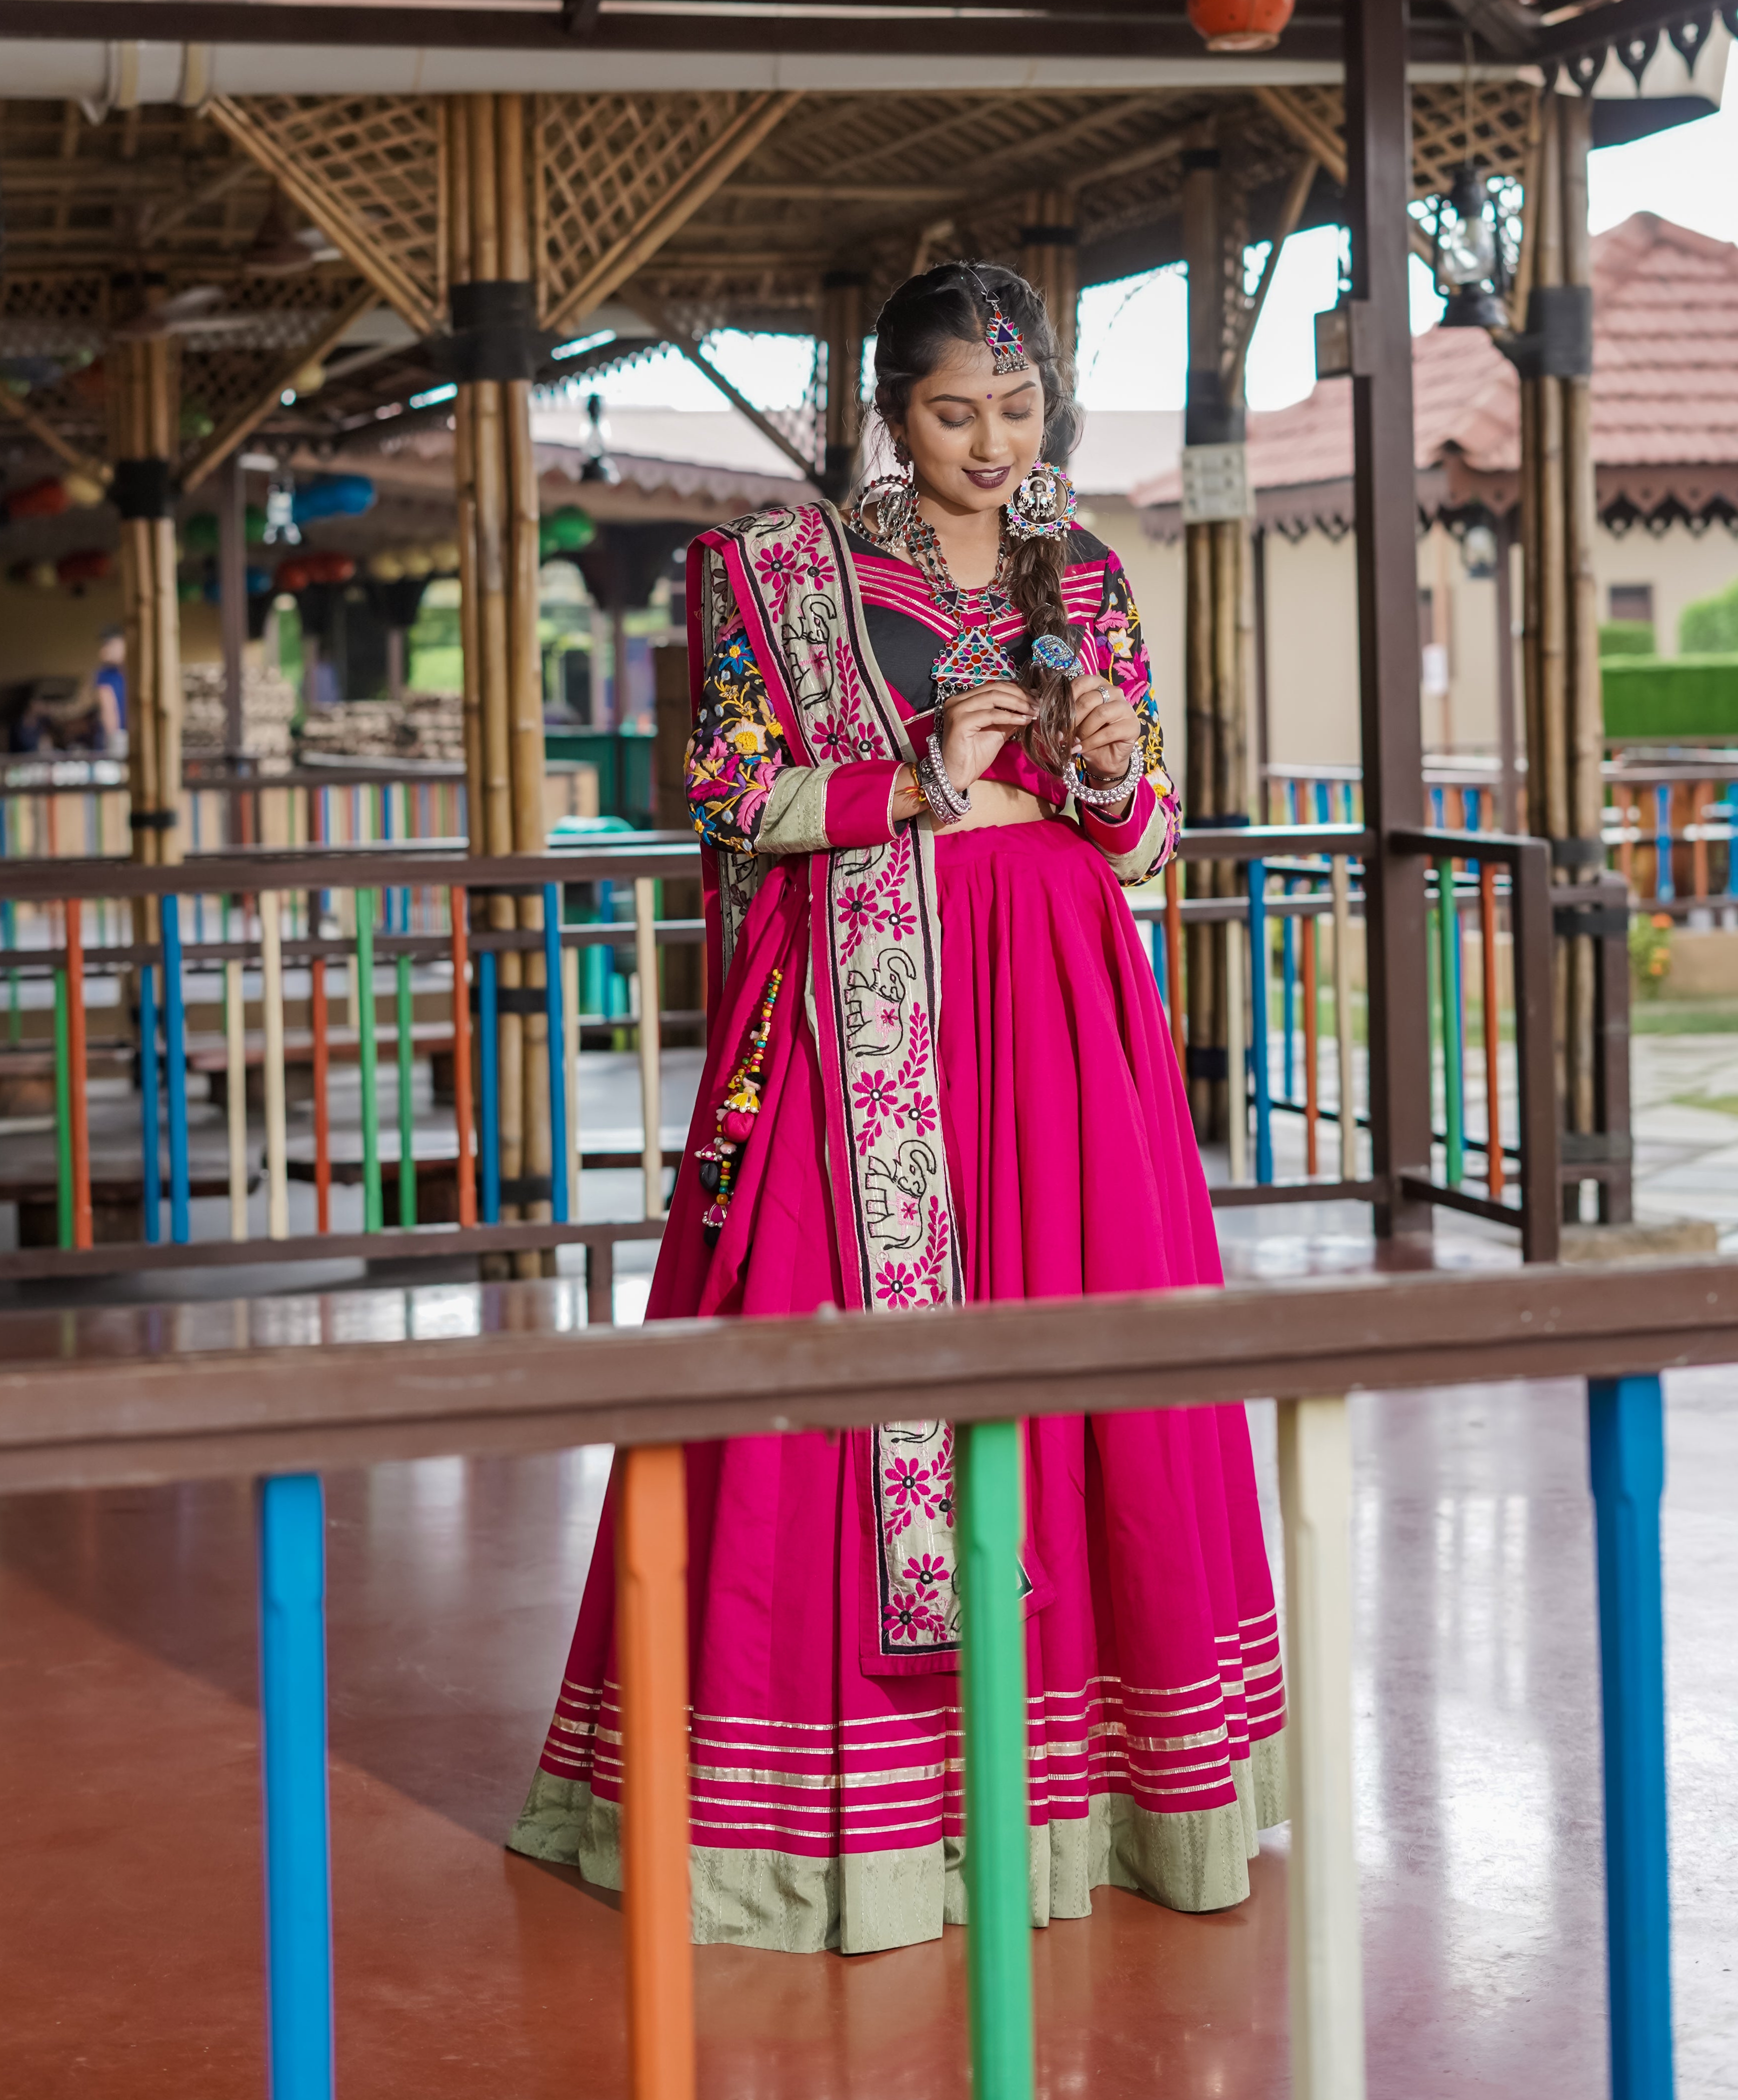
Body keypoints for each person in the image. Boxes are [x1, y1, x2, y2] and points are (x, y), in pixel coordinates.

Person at [510, 262, 1286, 1955]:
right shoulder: (773, 578)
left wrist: (1103, 766)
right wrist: (921, 775)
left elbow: (1149, 839)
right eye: (956, 412)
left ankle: (1098, 1807)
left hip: (1069, 1026)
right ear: (891, 409)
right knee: (840, 1386)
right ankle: (837, 1824)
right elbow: (725, 796)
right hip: (871, 1007)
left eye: (1019, 413)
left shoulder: (1089, 573)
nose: (992, 443)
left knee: (1098, 1383)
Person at [92, 628, 127, 755]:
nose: (104, 651)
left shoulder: (135, 672)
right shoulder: (105, 675)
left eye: (109, 645)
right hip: (118, 740)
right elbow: (109, 713)